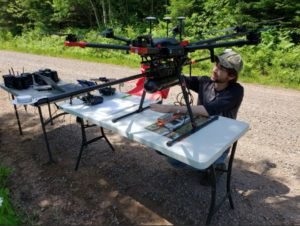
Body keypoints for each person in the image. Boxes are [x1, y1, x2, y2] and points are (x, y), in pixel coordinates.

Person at [150, 49, 244, 183]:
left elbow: (208, 110)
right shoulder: (206, 82)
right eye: (216, 65)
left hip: (218, 141)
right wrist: (165, 71)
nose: (215, 70)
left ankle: (216, 165)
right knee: (161, 146)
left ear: (231, 76)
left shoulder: (235, 91)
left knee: (190, 162)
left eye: (220, 69)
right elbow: (181, 79)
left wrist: (170, 108)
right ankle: (200, 164)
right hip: (199, 131)